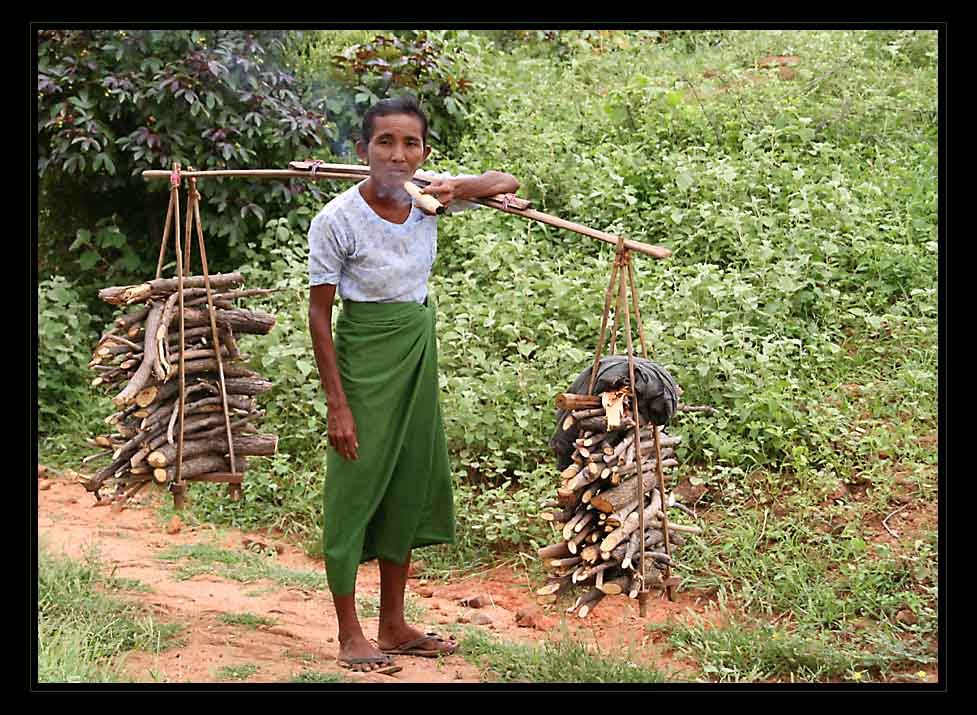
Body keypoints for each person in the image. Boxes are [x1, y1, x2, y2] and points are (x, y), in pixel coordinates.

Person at [307, 95, 520, 674]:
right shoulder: (337, 220)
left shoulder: (429, 202)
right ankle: (350, 631)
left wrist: (460, 186)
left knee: (407, 475)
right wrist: (338, 404)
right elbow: (320, 317)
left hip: (416, 348)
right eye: (385, 143)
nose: (397, 155)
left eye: (410, 143)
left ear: (423, 152)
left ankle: (394, 624)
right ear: (362, 150)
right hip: (364, 357)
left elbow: (509, 180)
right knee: (354, 484)